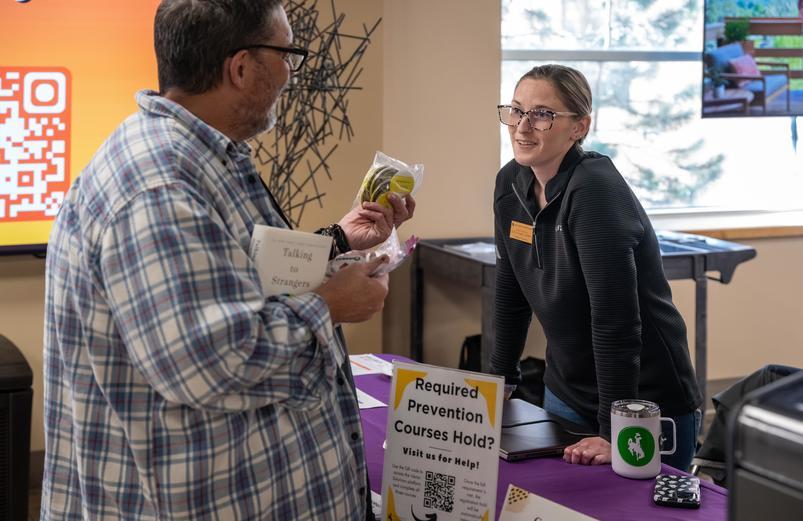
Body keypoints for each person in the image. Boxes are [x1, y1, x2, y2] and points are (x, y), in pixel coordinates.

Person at [41, 1, 413, 519]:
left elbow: (238, 277)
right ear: (240, 68)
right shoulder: (161, 185)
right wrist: (328, 305)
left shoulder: (202, 158)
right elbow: (210, 360)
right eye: (287, 54)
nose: (291, 73)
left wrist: (337, 242)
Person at [490, 64, 702, 471]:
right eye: (515, 110)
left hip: (641, 402)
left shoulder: (594, 190)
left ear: (579, 127)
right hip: (567, 392)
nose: (522, 126)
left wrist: (613, 430)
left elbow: (615, 318)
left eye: (542, 114)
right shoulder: (510, 184)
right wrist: (501, 380)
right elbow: (511, 289)